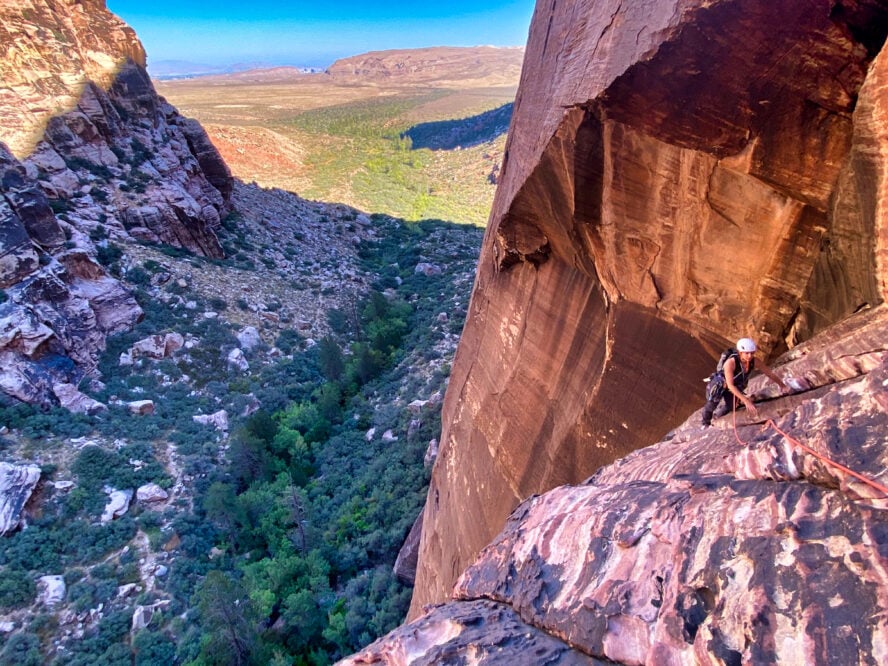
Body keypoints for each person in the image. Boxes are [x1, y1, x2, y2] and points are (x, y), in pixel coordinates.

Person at [702, 337, 788, 427]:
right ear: (740, 352)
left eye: (752, 353)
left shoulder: (754, 361)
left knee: (732, 406)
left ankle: (717, 416)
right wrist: (746, 401)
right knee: (711, 405)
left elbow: (769, 373)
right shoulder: (730, 363)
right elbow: (730, 386)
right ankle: (705, 423)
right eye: (747, 353)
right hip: (721, 385)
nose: (750, 356)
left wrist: (782, 385)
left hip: (734, 384)